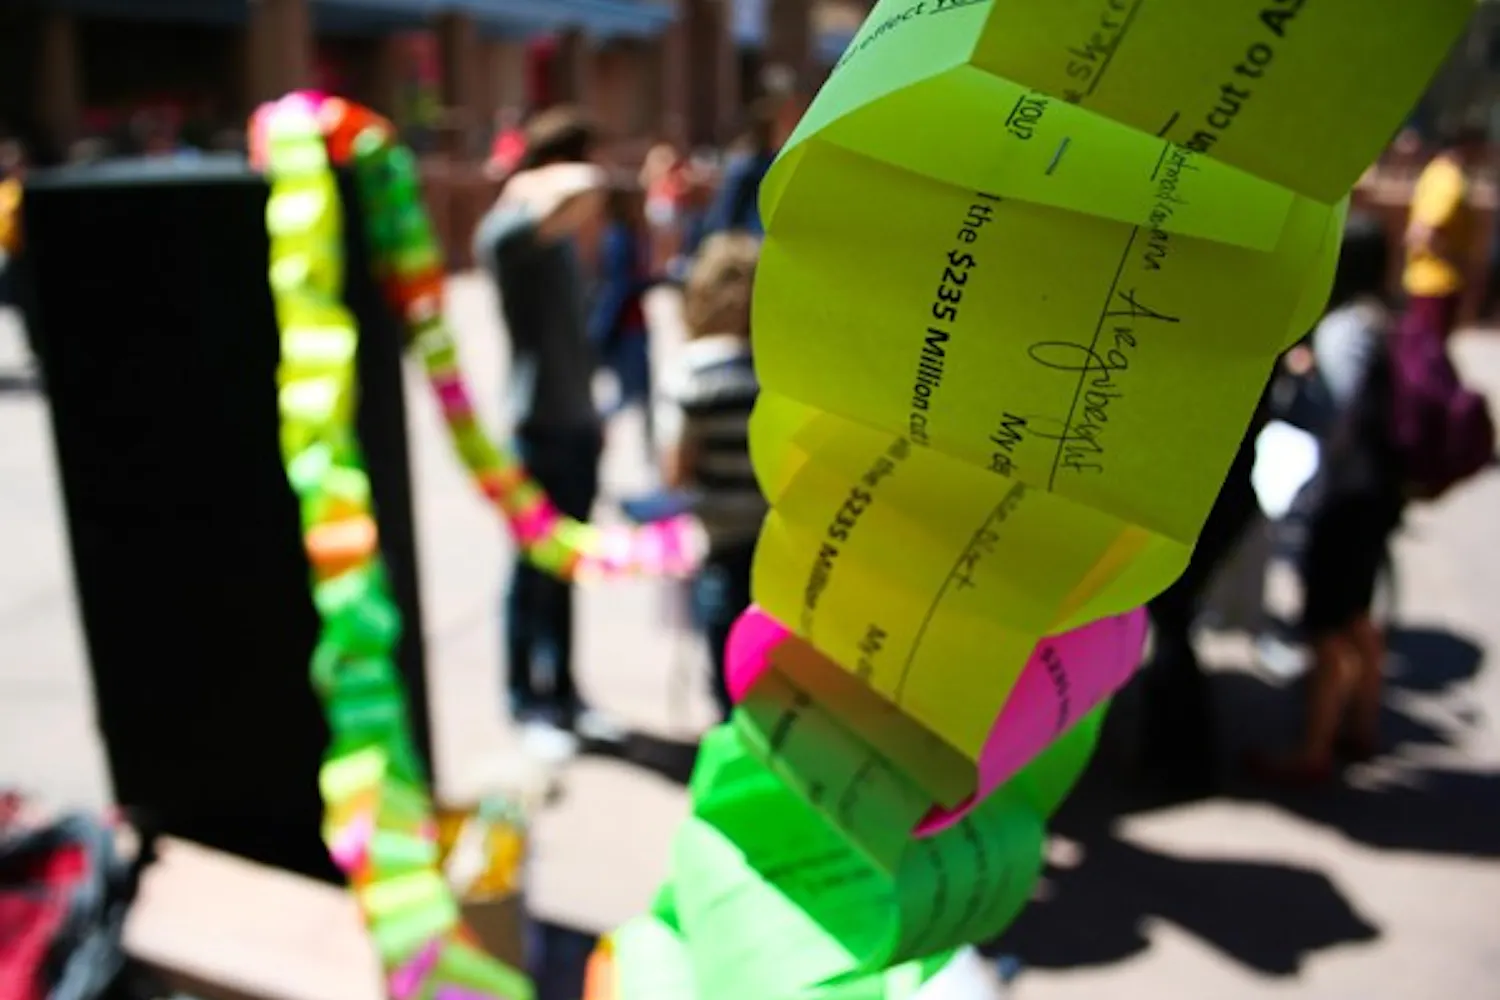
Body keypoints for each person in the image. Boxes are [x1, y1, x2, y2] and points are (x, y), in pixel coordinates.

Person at [472, 106, 615, 737]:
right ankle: (523, 697)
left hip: (577, 422)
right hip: (538, 427)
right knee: (531, 571)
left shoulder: (553, 240)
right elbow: (585, 187)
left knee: (567, 568)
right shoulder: (506, 233)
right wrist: (532, 178)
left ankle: (563, 690)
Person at [1253, 216, 1407, 784]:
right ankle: (1362, 722)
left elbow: (1336, 413)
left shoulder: (1346, 328)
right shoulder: (1387, 317)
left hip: (1345, 492)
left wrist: (1299, 379)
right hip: (1378, 489)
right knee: (1359, 617)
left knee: (1325, 625)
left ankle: (1313, 749)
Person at [661, 233, 766, 720]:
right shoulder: (778, 367)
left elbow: (677, 472)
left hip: (722, 540)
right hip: (779, 544)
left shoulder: (692, 372)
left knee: (728, 673)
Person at [590, 180, 656, 459]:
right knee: (632, 395)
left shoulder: (626, 234)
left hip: (631, 324)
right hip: (625, 326)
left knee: (637, 396)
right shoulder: (619, 237)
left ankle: (649, 456)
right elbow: (619, 285)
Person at [1403, 124, 1485, 341]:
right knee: (1428, 353)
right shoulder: (1450, 180)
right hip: (1438, 282)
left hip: (1426, 279)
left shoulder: (1434, 171)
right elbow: (1424, 232)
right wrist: (1458, 264)